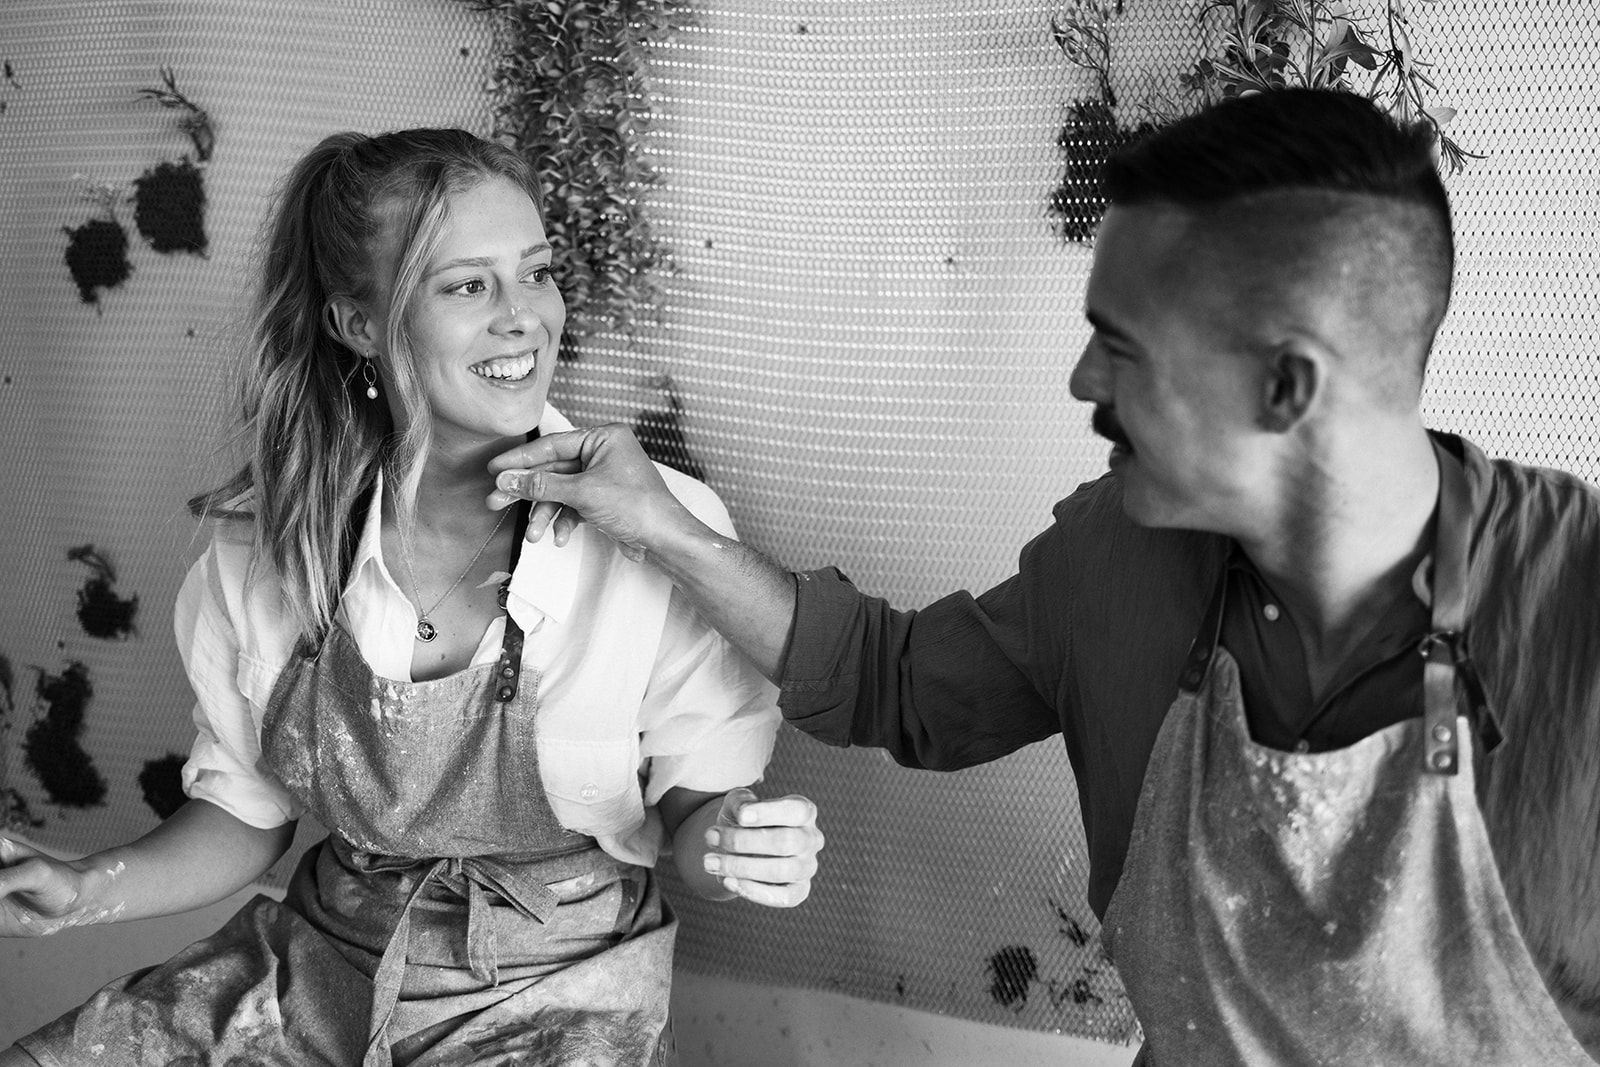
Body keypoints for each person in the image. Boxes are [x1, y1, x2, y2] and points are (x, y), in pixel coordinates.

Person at [483, 89, 1600, 1065]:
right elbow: (896, 678)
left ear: (1286, 387)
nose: (1080, 380)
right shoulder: (1114, 555)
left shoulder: (1575, 607)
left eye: (1120, 344)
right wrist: (657, 526)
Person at [0, 128, 823, 1067]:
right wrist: (88, 887)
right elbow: (245, 812)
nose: (526, 318)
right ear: (357, 323)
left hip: (557, 994)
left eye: (537, 272)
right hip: (320, 966)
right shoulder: (271, 544)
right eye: (468, 285)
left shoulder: (661, 528)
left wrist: (731, 845)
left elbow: (694, 812)